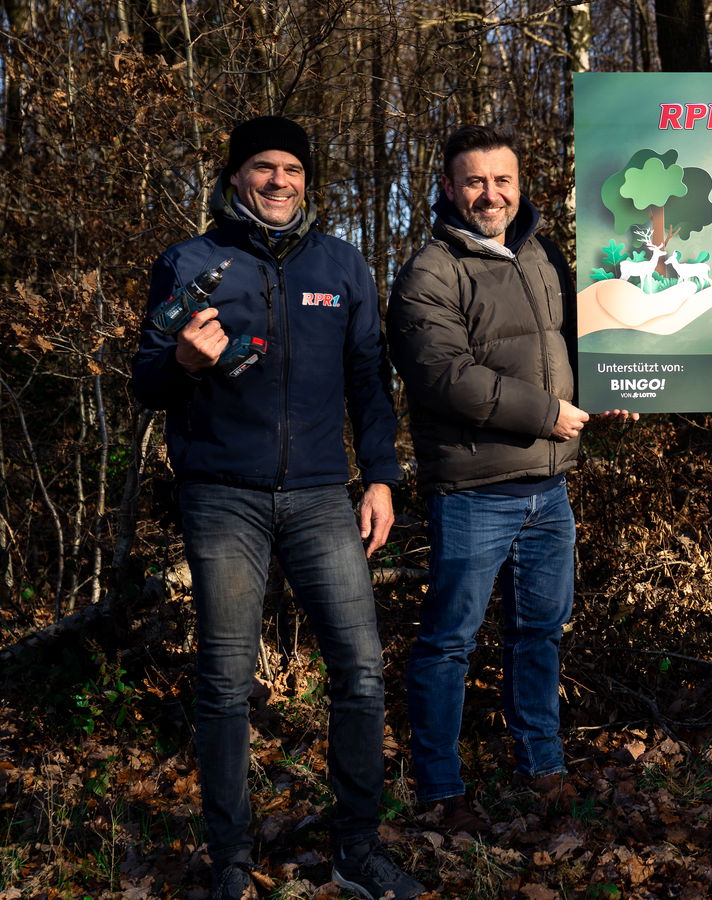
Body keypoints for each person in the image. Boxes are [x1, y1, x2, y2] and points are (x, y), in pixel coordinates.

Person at [132, 116, 423, 899]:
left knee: (361, 672)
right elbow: (145, 379)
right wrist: (186, 365)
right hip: (222, 497)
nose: (279, 181)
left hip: (324, 495)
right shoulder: (190, 262)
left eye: (292, 168)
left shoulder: (343, 265)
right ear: (235, 178)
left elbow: (369, 380)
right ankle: (230, 862)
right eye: (263, 167)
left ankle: (356, 851)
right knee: (226, 682)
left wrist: (383, 477)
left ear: (308, 179)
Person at [387, 125, 634, 835]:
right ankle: (438, 785)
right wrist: (548, 414)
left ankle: (541, 764)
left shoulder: (542, 254)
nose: (491, 194)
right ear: (447, 189)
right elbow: (444, 376)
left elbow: (572, 343)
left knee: (539, 633)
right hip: (474, 492)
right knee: (449, 641)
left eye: (503, 180)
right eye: (474, 181)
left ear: (521, 185)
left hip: (550, 488)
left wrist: (608, 386)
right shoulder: (430, 271)